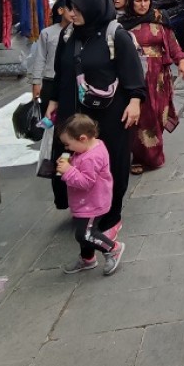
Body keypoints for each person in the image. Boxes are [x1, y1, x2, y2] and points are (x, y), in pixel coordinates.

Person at [45, 0, 146, 239]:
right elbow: (60, 72)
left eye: (78, 9)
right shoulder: (68, 35)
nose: (72, 13)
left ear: (93, 9)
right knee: (73, 159)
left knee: (110, 161)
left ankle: (111, 214)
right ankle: (84, 208)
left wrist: (135, 101)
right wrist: (53, 100)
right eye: (71, 8)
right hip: (74, 113)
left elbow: (133, 71)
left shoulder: (116, 35)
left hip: (110, 115)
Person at [121, 0, 184, 173]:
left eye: (146, 1)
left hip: (159, 77)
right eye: (138, 1)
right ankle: (139, 157)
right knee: (141, 116)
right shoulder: (123, 24)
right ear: (131, 3)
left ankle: (154, 154)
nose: (143, 5)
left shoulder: (159, 18)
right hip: (136, 75)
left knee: (158, 114)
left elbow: (172, 43)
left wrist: (181, 62)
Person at [57, 114, 126, 276]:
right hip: (85, 202)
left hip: (91, 203)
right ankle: (87, 258)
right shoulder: (91, 146)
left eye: (68, 144)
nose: (67, 148)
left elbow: (86, 182)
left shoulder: (91, 157)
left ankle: (112, 249)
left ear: (82, 138)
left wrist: (68, 171)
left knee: (84, 234)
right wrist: (70, 163)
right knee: (85, 232)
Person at [29, 0, 70, 102]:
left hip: (70, 81)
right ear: (60, 10)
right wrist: (36, 82)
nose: (73, 13)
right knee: (47, 110)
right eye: (70, 9)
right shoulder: (47, 33)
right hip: (50, 80)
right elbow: (40, 58)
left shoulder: (79, 33)